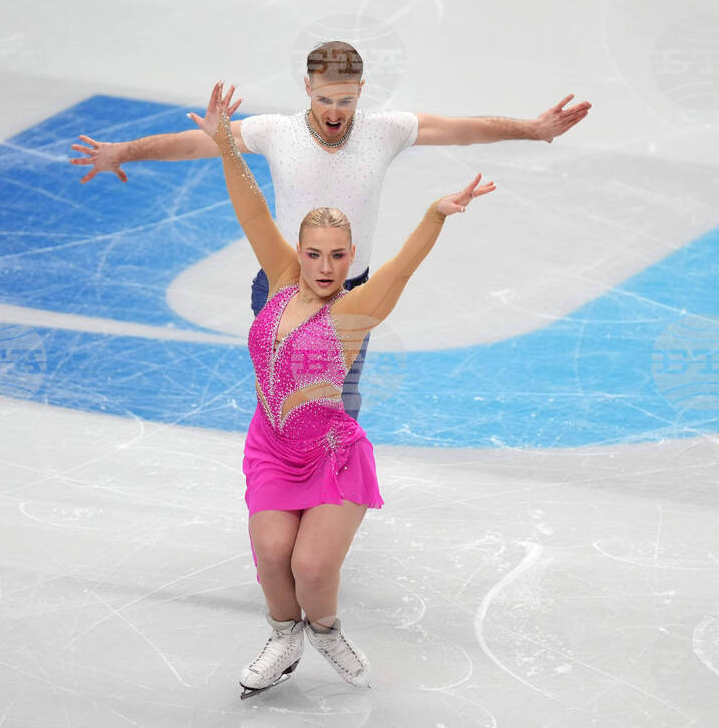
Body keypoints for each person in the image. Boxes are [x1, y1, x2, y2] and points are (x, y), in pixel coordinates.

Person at [70, 41, 590, 420]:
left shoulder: (386, 131)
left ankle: (329, 503)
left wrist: (533, 129)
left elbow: (464, 129)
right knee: (283, 400)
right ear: (308, 89)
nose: (334, 112)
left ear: (361, 91)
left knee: (339, 402)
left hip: (350, 293)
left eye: (345, 101)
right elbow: (193, 143)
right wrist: (122, 151)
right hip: (281, 289)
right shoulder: (275, 132)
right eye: (325, 100)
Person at [192, 81, 494, 697]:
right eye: (314, 254)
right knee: (274, 558)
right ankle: (284, 636)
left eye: (337, 256)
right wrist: (226, 143)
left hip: (331, 456)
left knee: (311, 566)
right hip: (271, 448)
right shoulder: (279, 279)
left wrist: (435, 215)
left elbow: (404, 264)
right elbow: (251, 206)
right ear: (298, 254)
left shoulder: (355, 311)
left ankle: (325, 631)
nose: (326, 267)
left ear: (351, 254)